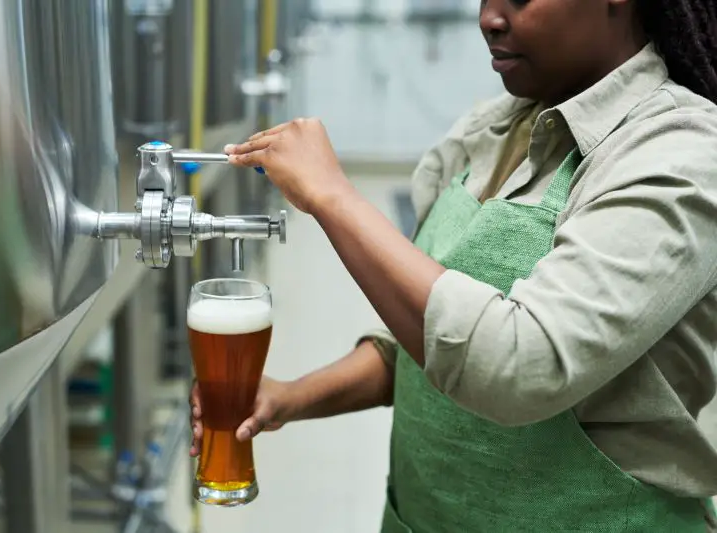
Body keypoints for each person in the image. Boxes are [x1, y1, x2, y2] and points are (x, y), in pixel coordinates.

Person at [191, 0, 717, 530]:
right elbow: (426, 334)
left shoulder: (680, 152)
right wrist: (291, 397)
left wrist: (332, 197)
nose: (489, 18)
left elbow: (516, 366)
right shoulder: (488, 130)